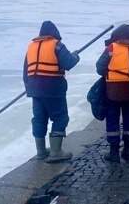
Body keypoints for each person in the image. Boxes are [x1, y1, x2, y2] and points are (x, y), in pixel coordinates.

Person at [23, 21, 80, 163]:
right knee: (60, 117)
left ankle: (41, 152)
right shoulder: (57, 45)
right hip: (53, 89)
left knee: (39, 119)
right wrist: (75, 56)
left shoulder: (31, 47)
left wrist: (30, 89)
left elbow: (25, 72)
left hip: (35, 91)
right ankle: (56, 152)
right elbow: (69, 63)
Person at [96, 24, 129, 163]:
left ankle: (114, 152)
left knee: (112, 119)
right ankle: (127, 149)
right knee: (128, 117)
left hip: (113, 90)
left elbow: (99, 67)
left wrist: (109, 73)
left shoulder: (112, 48)